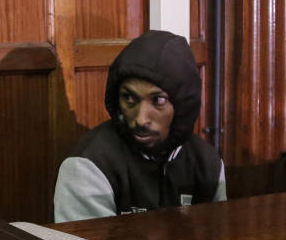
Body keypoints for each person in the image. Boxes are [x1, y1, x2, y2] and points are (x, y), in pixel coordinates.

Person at [53, 30, 226, 222]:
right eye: (129, 98)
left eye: (158, 100)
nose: (141, 119)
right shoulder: (89, 165)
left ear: (183, 106)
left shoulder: (208, 164)